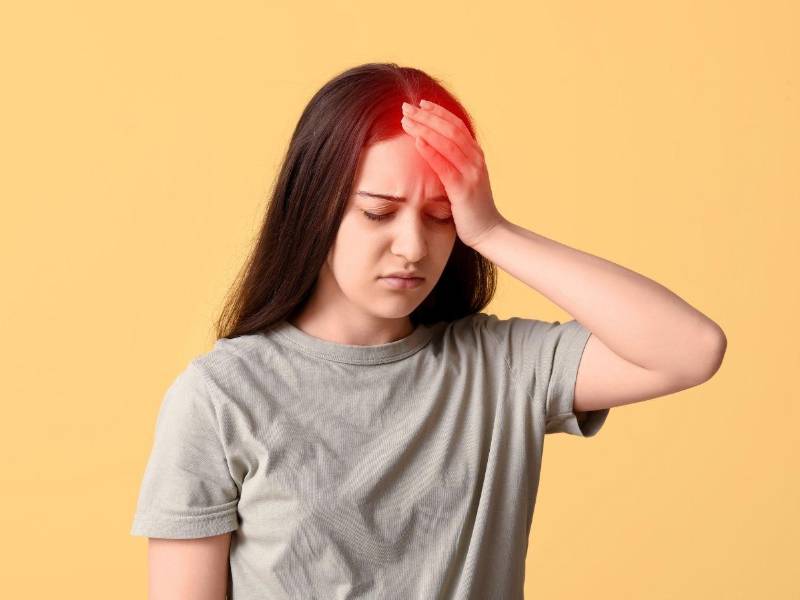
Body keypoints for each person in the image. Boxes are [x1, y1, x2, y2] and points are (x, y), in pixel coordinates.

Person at [130, 63, 726, 599]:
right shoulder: (221, 396)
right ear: (316, 206)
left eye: (441, 217)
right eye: (377, 213)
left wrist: (492, 231)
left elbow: (691, 350)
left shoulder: (502, 367)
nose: (413, 247)